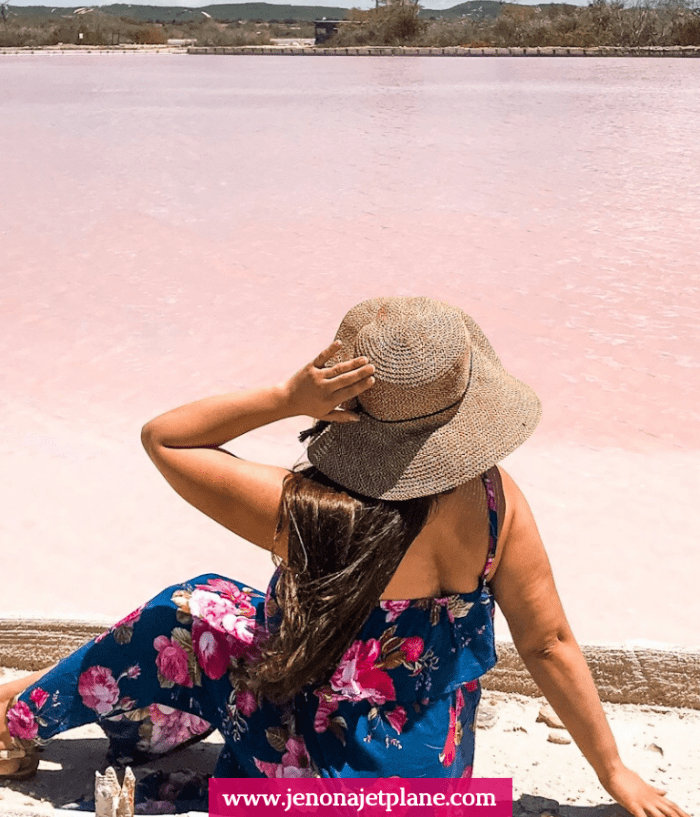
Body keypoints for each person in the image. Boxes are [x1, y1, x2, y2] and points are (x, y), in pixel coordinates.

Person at [0, 297, 688, 816]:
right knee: (229, 614)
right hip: (432, 778)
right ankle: (33, 700)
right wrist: (614, 772)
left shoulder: (308, 511)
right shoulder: (495, 500)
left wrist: (285, 398)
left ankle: (17, 717)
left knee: (191, 608)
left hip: (314, 775)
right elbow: (550, 642)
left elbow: (165, 438)